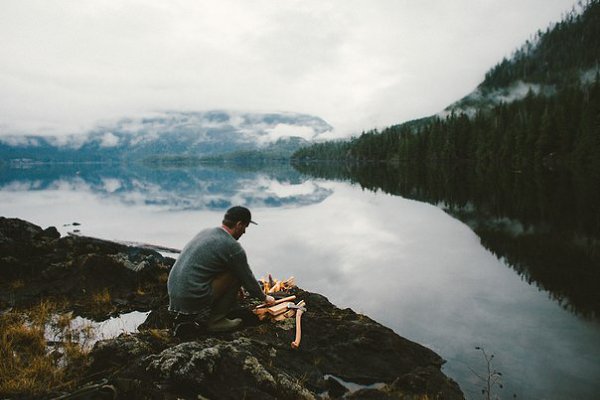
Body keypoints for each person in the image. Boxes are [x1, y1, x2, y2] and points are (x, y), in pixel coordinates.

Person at [167, 206, 276, 332]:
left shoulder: (206, 232)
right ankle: (216, 321)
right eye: (245, 227)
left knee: (226, 267)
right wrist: (264, 298)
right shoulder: (232, 247)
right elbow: (247, 279)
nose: (244, 232)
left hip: (175, 295)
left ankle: (186, 315)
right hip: (193, 296)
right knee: (236, 273)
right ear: (239, 224)